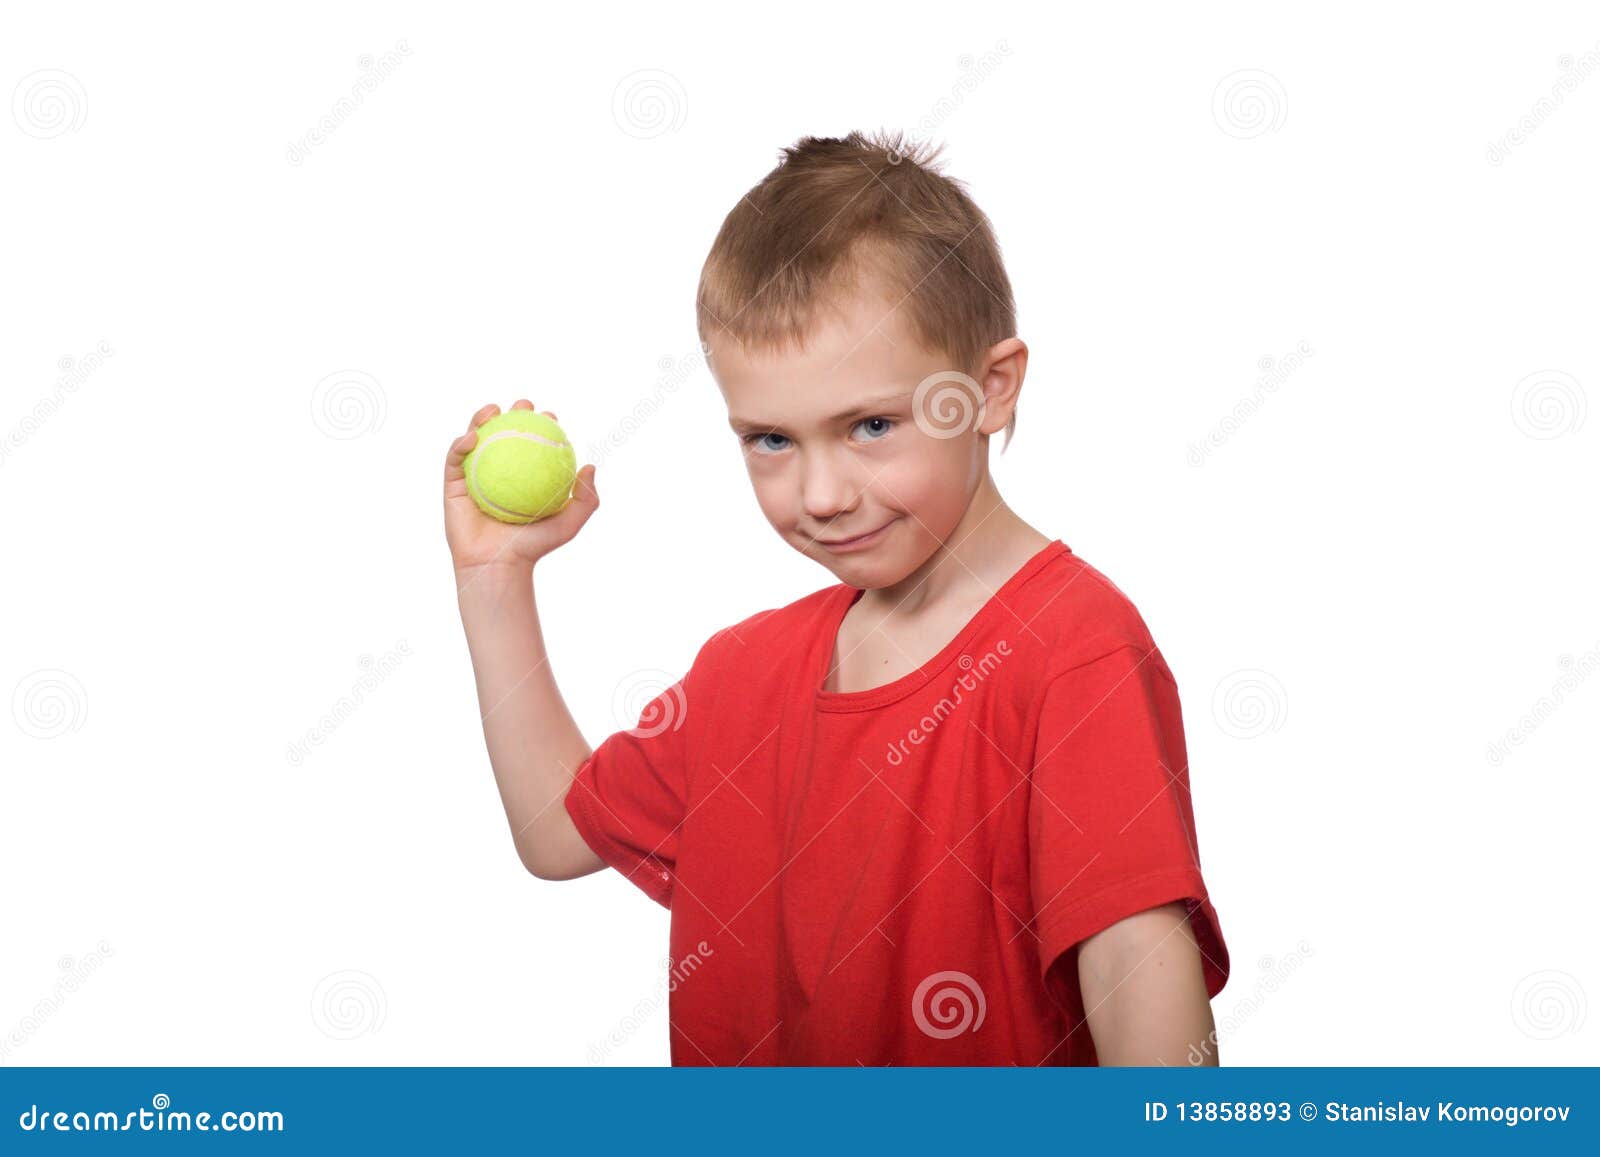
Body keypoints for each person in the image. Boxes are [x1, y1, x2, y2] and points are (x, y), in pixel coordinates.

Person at [443, 131, 1230, 1066]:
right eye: (770, 439)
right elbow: (555, 833)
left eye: (869, 424)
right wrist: (494, 580)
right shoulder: (745, 670)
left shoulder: (1074, 651)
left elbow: (1143, 991)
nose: (819, 494)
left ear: (989, 388)